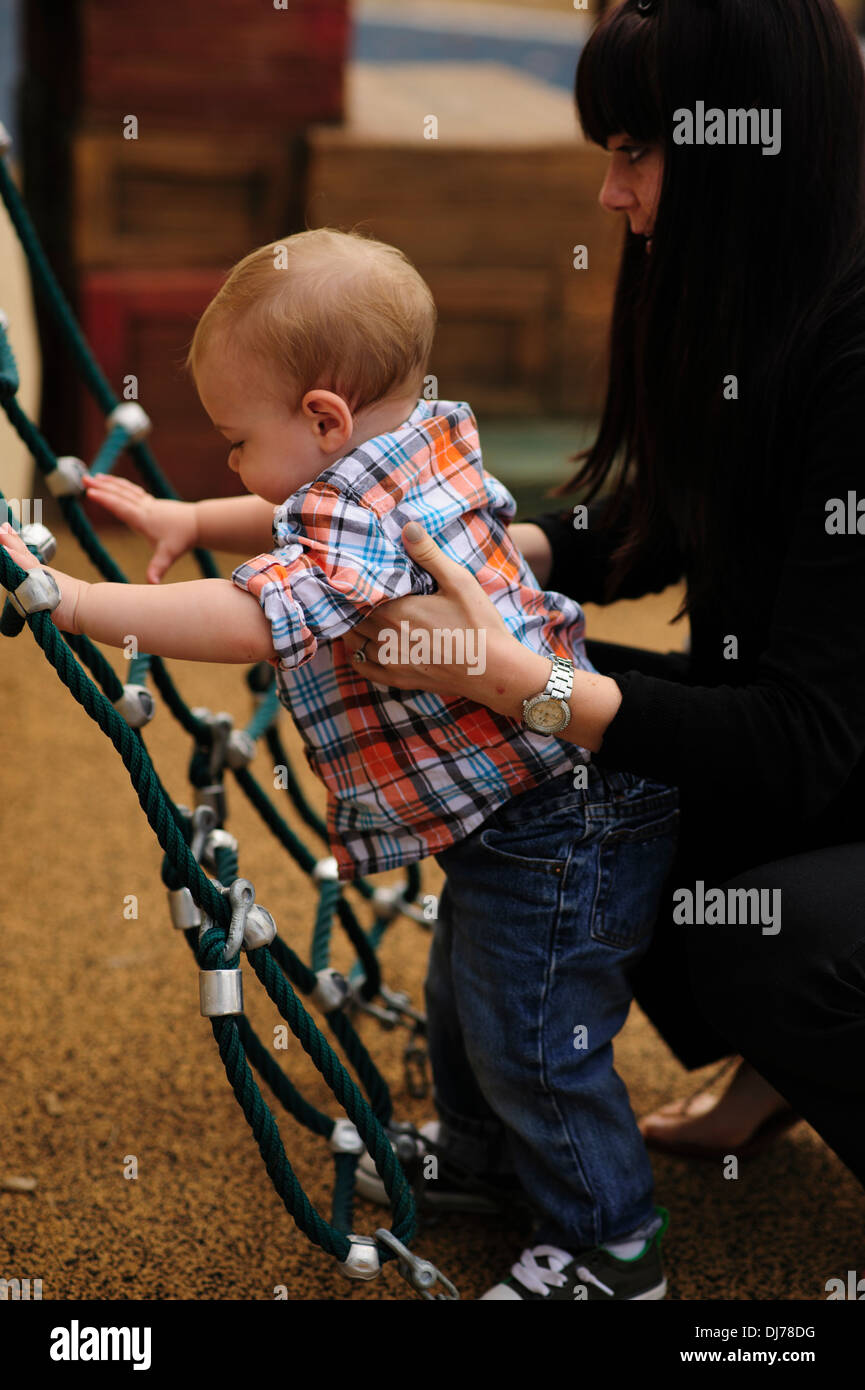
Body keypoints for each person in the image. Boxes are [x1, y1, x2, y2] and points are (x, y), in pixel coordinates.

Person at [0, 225, 680, 1300]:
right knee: (468, 993)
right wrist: (189, 515)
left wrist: (82, 602)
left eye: (231, 439)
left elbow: (257, 613)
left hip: (555, 821)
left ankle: (611, 1239)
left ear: (322, 417)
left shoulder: (352, 508)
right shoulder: (410, 442)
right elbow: (285, 513)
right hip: (522, 809)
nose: (229, 460)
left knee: (532, 1032)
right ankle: (481, 1156)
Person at [342, 0, 865, 1221]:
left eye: (635, 151)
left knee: (764, 935)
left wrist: (524, 682)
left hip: (831, 755)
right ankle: (496, 1143)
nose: (609, 193)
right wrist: (485, 551)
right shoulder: (772, 300)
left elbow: (796, 743)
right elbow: (672, 519)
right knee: (543, 764)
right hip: (832, 756)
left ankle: (791, 1024)